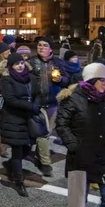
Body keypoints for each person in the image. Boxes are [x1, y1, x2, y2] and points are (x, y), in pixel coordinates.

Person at [56, 63, 105, 207]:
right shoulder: (72, 98)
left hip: (104, 157)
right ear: (92, 79)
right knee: (79, 200)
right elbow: (62, 125)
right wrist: (74, 146)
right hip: (81, 158)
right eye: (102, 80)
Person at [0, 53, 39, 197]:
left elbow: (38, 93)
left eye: (21, 63)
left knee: (27, 148)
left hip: (28, 119)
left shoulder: (31, 77)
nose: (20, 66)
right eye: (17, 64)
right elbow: (10, 99)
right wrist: (30, 106)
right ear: (11, 66)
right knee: (17, 149)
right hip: (13, 118)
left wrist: (37, 104)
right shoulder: (7, 79)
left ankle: (12, 165)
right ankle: (18, 181)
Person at [29, 37, 69, 177]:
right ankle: (45, 163)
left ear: (51, 49)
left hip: (52, 103)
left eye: (45, 45)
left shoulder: (57, 62)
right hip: (37, 103)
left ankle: (39, 156)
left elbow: (67, 79)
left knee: (46, 132)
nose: (41, 47)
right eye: (39, 45)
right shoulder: (32, 62)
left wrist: (61, 79)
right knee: (43, 133)